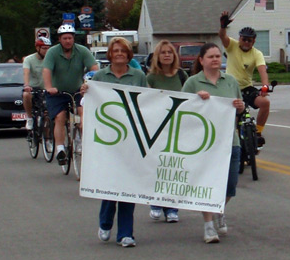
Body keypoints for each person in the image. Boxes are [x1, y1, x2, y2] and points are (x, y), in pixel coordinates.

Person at [82, 37, 147, 248]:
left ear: (129, 54)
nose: (119, 53)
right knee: (110, 185)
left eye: (123, 51)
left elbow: (148, 101)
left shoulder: (138, 76)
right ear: (110, 54)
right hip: (107, 139)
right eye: (115, 50)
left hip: (131, 137)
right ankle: (105, 222)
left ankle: (126, 234)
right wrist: (86, 91)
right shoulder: (100, 76)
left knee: (128, 184)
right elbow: (91, 102)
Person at [182, 43, 244, 243]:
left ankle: (219, 208)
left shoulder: (230, 81)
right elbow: (182, 108)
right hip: (205, 142)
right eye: (211, 56)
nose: (215, 59)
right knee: (207, 183)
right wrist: (197, 99)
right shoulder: (193, 82)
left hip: (229, 140)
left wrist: (240, 106)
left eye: (218, 56)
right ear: (201, 60)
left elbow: (239, 108)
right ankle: (208, 225)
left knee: (230, 184)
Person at [43, 24, 98, 165]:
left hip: (78, 90)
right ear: (60, 39)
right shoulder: (52, 52)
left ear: (73, 38)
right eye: (65, 38)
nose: (68, 41)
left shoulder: (82, 51)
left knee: (83, 114)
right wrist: (49, 87)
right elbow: (47, 70)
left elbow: (94, 67)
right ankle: (60, 149)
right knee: (60, 117)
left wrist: (90, 80)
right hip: (58, 92)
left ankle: (86, 144)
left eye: (70, 38)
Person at [146, 39, 188, 223]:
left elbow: (191, 96)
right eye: (163, 52)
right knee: (157, 165)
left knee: (174, 166)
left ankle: (172, 207)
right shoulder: (151, 78)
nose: (167, 55)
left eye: (170, 52)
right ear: (157, 56)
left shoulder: (181, 75)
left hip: (178, 127)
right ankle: (155, 202)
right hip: (157, 127)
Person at [218, 11, 270, 147]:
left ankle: (258, 133)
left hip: (246, 88)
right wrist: (223, 26)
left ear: (254, 41)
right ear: (239, 38)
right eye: (244, 39)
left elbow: (262, 70)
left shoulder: (257, 53)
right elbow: (222, 37)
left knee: (265, 103)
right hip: (230, 87)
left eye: (249, 40)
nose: (246, 42)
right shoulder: (232, 46)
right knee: (233, 118)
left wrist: (265, 87)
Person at [23, 37, 52, 130]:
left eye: (48, 48)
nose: (46, 51)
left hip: (47, 88)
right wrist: (27, 85)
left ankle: (48, 140)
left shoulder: (51, 59)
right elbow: (26, 72)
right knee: (26, 95)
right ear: (37, 48)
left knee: (47, 116)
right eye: (44, 48)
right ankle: (29, 118)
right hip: (33, 88)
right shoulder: (29, 59)